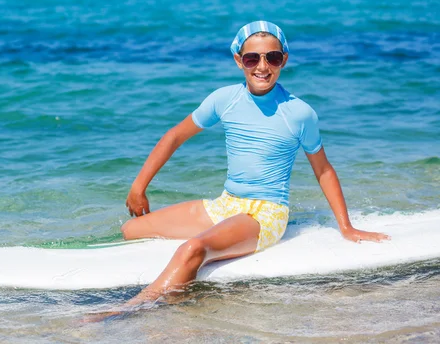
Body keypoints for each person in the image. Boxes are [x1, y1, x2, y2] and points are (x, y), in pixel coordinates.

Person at [118, 21, 390, 308]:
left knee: (194, 248)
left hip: (266, 215)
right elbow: (174, 136)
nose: (262, 66)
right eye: (252, 58)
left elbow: (323, 170)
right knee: (130, 231)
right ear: (239, 61)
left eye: (272, 57)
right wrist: (138, 187)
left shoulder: (299, 113)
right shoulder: (224, 99)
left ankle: (131, 308)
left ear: (283, 59)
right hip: (226, 204)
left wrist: (346, 227)